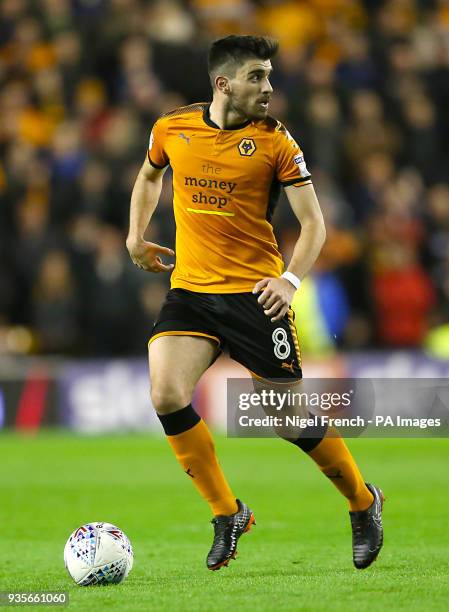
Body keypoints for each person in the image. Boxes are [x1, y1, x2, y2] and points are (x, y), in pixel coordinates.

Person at [126, 35, 383, 571]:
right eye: (256, 77)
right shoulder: (172, 127)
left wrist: (289, 280)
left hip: (256, 296)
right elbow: (151, 174)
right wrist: (135, 236)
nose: (268, 88)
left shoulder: (276, 143)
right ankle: (227, 513)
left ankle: (362, 501)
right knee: (166, 391)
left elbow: (314, 225)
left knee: (284, 417)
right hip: (192, 291)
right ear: (224, 84)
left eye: (268, 76)